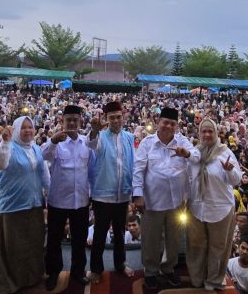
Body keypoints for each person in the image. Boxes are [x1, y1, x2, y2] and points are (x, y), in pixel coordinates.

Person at [133, 107, 200, 289]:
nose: (168, 126)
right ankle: (151, 271)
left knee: (174, 238)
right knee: (151, 239)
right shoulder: (147, 143)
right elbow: (138, 170)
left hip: (177, 201)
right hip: (153, 201)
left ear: (176, 126)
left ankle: (168, 268)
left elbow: (197, 156)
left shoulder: (183, 141)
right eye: (165, 122)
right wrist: (138, 195)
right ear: (158, 122)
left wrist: (185, 153)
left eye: (172, 123)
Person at [0, 116, 51, 294]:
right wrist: (6, 142)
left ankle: (31, 278)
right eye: (23, 128)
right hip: (12, 205)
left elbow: (43, 172)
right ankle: (9, 283)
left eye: (30, 127)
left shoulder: (35, 148)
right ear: (16, 129)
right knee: (12, 247)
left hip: (34, 203)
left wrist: (50, 193)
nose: (27, 131)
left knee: (33, 243)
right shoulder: (8, 146)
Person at [184, 118, 242, 291]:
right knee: (196, 245)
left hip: (221, 208)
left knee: (218, 247)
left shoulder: (226, 153)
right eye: (204, 131)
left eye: (210, 131)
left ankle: (214, 280)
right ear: (199, 133)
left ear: (216, 133)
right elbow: (188, 179)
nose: (207, 135)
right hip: (197, 207)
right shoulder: (194, 153)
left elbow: (236, 180)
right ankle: (197, 278)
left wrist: (230, 170)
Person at [41, 105, 92, 290]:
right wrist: (53, 141)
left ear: (80, 122)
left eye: (75, 120)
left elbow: (92, 170)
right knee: (55, 238)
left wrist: (91, 194)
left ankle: (78, 272)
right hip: (58, 201)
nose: (71, 123)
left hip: (81, 200)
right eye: (68, 119)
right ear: (62, 121)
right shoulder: (55, 142)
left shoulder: (87, 142)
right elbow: (42, 156)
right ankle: (53, 272)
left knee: (80, 238)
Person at [87, 101, 135, 284]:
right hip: (102, 195)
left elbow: (132, 163)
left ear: (123, 118)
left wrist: (132, 191)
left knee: (120, 233)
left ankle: (120, 264)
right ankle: (96, 269)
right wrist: (94, 130)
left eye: (118, 117)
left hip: (122, 194)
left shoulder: (129, 137)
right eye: (112, 117)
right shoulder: (100, 137)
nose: (116, 120)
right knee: (99, 234)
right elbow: (91, 144)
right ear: (106, 119)